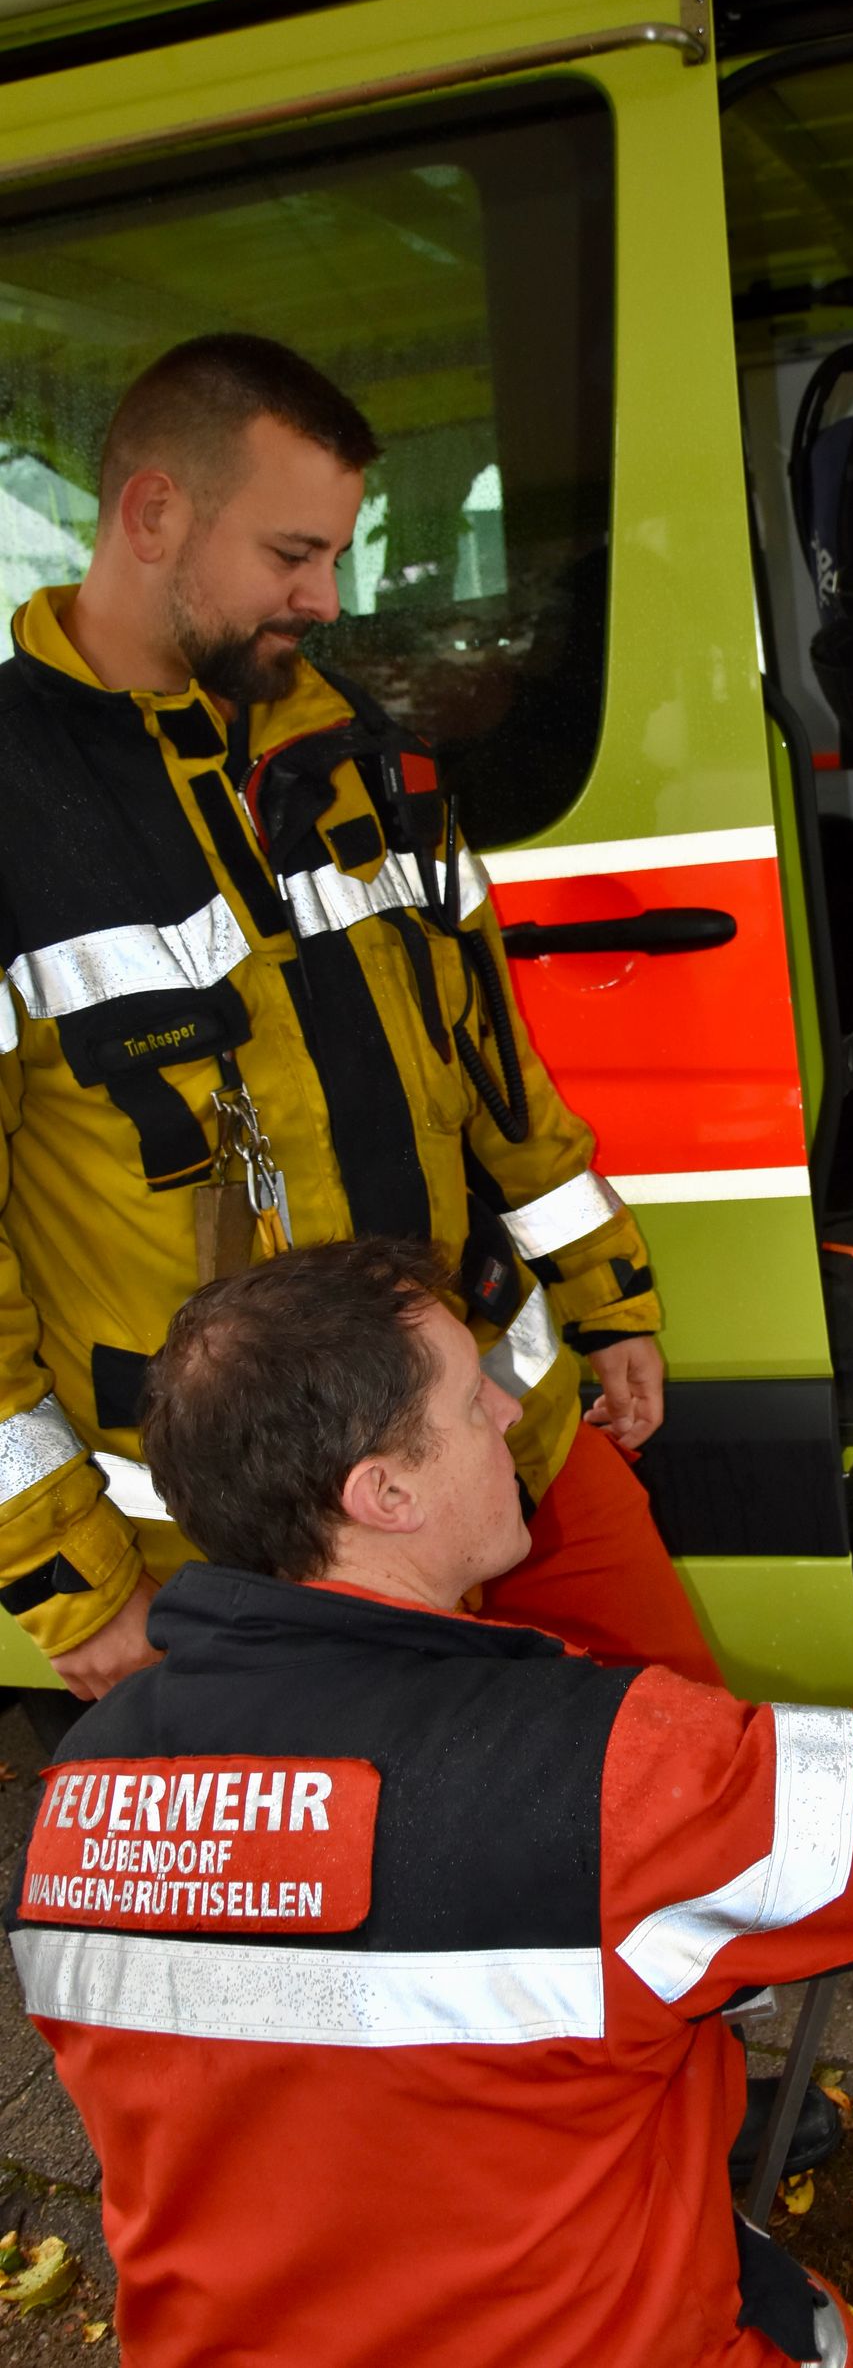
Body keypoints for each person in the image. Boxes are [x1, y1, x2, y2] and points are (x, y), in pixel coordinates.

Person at [5, 1246, 853, 2367]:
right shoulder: (596, 1773)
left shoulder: (78, 1805)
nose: (508, 1405)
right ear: (382, 1494)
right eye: (466, 1393)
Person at [0, 330, 716, 1705]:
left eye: (339, 551)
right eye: (291, 554)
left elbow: (493, 1068)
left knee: (681, 1769)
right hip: (244, 1540)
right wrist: (69, 1580)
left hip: (509, 1445)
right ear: (153, 514)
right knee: (401, 1888)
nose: (327, 596)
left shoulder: (355, 754)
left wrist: (604, 1293)